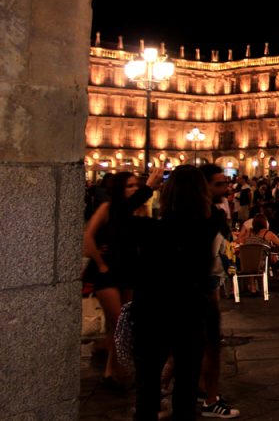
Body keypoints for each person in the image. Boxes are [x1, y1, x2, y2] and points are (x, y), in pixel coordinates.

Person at [133, 165, 219, 421]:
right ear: (202, 193)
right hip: (191, 312)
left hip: (152, 314)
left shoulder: (151, 230)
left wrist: (147, 188)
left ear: (166, 194)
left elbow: (116, 217)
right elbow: (212, 206)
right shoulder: (208, 225)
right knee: (187, 386)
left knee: (147, 386)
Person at [82, 169, 161, 388]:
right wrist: (101, 263)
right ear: (118, 189)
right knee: (119, 321)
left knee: (121, 324)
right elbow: (88, 237)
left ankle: (111, 367)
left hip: (130, 271)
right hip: (107, 272)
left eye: (136, 185)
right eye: (130, 186)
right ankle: (113, 370)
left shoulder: (141, 211)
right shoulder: (108, 208)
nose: (134, 189)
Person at [197, 164, 241, 419]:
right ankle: (209, 398)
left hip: (207, 282)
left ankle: (198, 391)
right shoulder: (206, 215)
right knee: (210, 344)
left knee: (195, 344)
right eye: (219, 184)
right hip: (200, 284)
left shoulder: (209, 212)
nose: (226, 188)